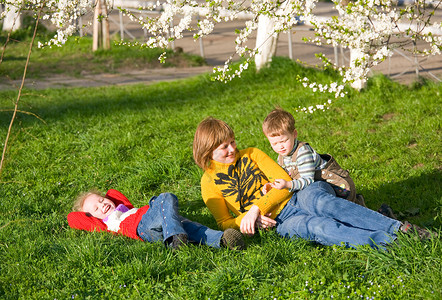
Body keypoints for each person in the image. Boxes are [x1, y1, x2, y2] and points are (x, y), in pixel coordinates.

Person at [192, 117, 434, 250]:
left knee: (323, 204)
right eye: (224, 147)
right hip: (279, 223)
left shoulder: (252, 154)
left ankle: (401, 229)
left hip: (298, 194)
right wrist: (248, 220)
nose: (232, 148)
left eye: (233, 142)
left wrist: (256, 208)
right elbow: (224, 222)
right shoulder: (208, 182)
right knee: (318, 227)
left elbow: (285, 181)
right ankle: (390, 243)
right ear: (208, 150)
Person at [67, 188, 245, 250]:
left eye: (101, 200)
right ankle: (175, 237)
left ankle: (222, 240)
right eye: (96, 208)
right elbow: (73, 218)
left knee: (190, 227)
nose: (102, 205)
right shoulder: (106, 224)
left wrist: (108, 199)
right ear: (93, 217)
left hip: (160, 224)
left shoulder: (126, 208)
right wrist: (87, 209)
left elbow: (113, 193)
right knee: (165, 198)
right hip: (143, 226)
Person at [262, 107, 365, 206]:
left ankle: (360, 204)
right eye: (274, 144)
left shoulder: (303, 153)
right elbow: (285, 176)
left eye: (284, 141)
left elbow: (308, 180)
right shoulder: (282, 157)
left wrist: (288, 185)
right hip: (319, 186)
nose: (280, 147)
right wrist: (273, 185)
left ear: (294, 134)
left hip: (337, 185)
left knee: (345, 207)